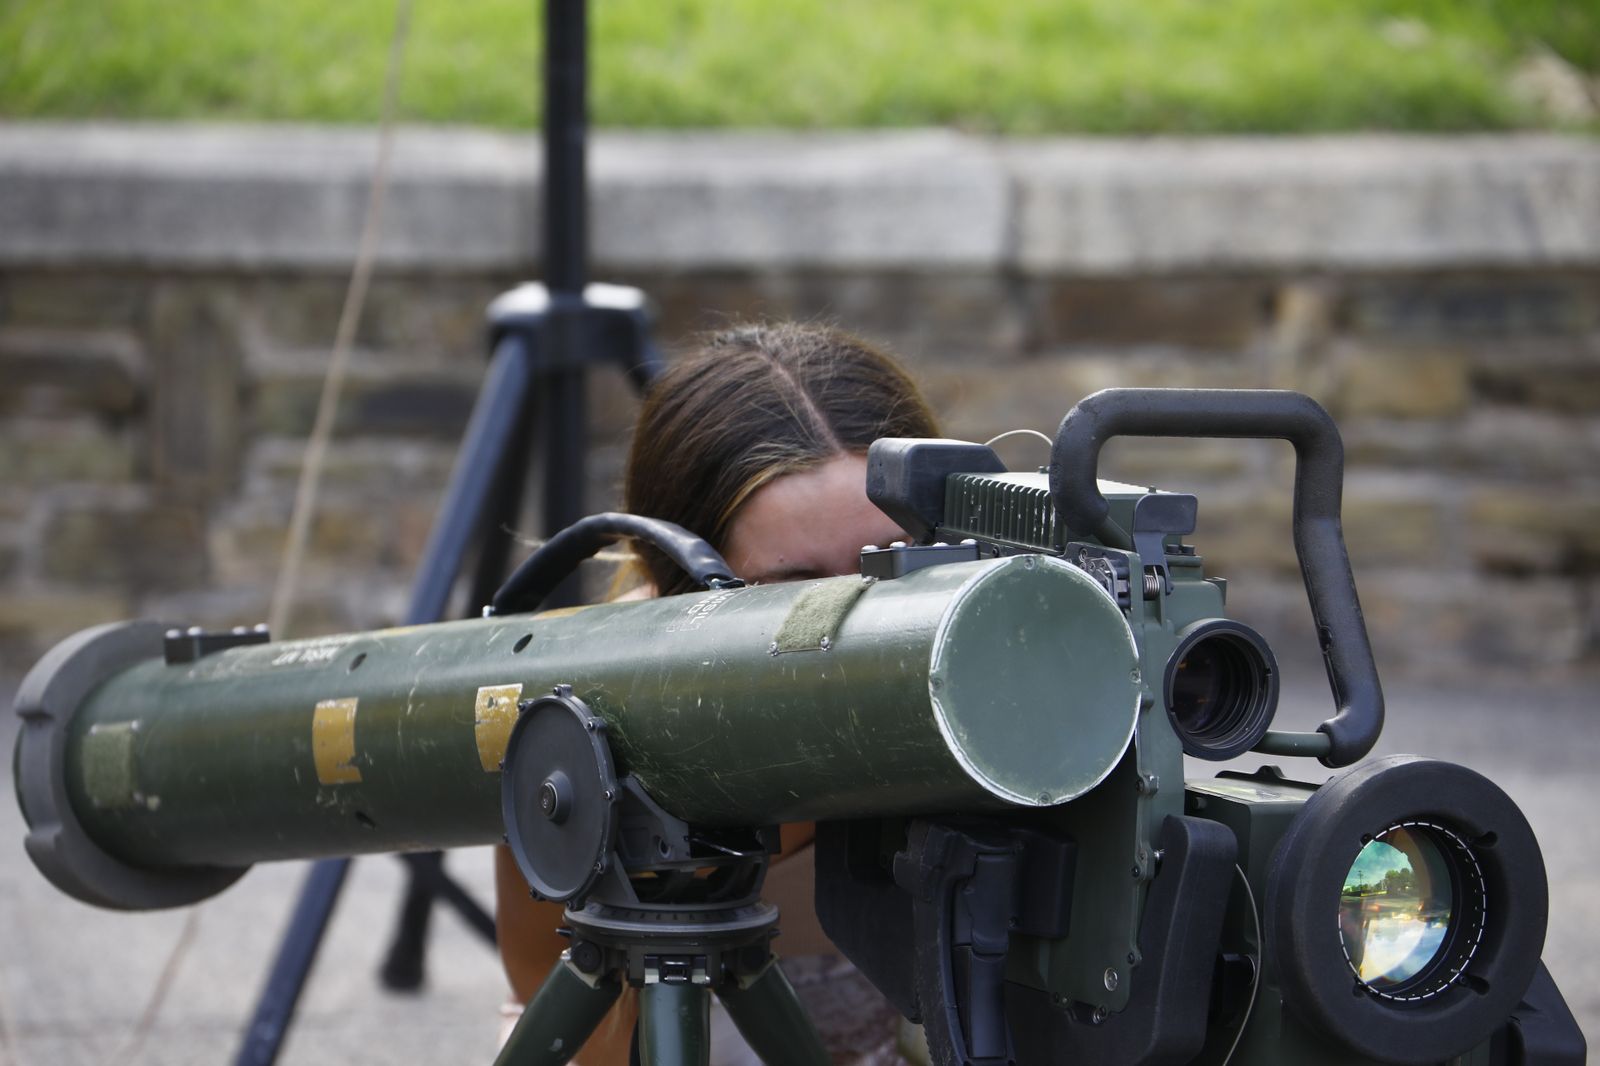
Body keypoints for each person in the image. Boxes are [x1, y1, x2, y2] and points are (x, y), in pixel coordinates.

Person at [495, 321, 941, 1064]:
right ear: (677, 590)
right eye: (795, 589)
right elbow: (576, 1034)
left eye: (887, 568)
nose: (854, 624)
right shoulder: (589, 731)